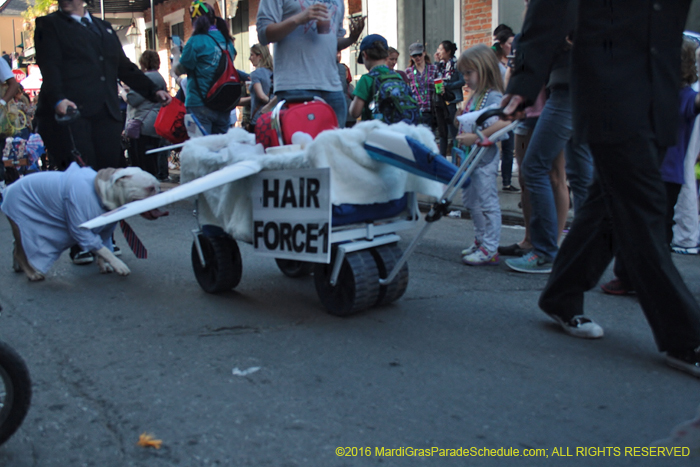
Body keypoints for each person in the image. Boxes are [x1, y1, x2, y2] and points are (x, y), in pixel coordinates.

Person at [503, 0, 700, 377]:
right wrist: (525, 78)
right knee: (643, 209)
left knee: (608, 206)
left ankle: (561, 294)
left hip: (660, 92)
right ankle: (685, 337)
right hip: (608, 91)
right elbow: (551, 8)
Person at [601, 38, 700, 295]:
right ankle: (629, 277)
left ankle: (646, 279)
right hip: (642, 169)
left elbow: (695, 103)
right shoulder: (651, 92)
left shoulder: (686, 97)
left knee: (655, 229)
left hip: (666, 175)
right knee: (632, 224)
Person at [504, 12, 594, 274]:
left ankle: (545, 252)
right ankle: (586, 250)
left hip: (567, 89)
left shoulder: (559, 12)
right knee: (579, 174)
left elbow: (536, 53)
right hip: (579, 87)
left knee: (535, 167)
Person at [256, 0, 365, 128]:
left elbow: (331, 42)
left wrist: (351, 39)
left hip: (333, 89)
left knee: (332, 147)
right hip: (296, 88)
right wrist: (298, 19)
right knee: (300, 146)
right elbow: (263, 34)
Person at [456, 44, 509, 266]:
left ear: (483, 69)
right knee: (472, 201)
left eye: (469, 72)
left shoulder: (493, 96)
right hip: (471, 157)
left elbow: (503, 122)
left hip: (483, 158)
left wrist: (477, 137)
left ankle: (490, 246)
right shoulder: (476, 95)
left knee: (487, 202)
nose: (466, 78)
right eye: (464, 73)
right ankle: (481, 240)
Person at [177, 1, 240, 135]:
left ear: (195, 20)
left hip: (199, 104)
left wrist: (176, 55)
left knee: (203, 150)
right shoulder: (226, 40)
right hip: (223, 103)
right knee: (221, 148)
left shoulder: (195, 41)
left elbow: (180, 69)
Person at [124, 50, 168, 180]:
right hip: (156, 123)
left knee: (141, 162)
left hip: (142, 124)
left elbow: (132, 99)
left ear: (143, 62)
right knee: (152, 160)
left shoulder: (146, 78)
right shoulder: (160, 78)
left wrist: (122, 92)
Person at [492, 26, 518, 192]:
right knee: (492, 143)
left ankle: (507, 182)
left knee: (509, 146)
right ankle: (489, 178)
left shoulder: (514, 60)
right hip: (496, 105)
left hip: (511, 106)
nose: (512, 45)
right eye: (510, 43)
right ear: (501, 44)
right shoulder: (494, 62)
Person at [433, 40, 464, 157]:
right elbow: (434, 77)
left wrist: (448, 86)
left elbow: (462, 81)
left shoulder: (457, 64)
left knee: (453, 131)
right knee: (442, 133)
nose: (438, 52)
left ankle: (457, 159)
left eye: (441, 49)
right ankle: (442, 160)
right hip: (440, 101)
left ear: (448, 51)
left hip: (452, 101)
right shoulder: (439, 65)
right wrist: (436, 63)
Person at [237, 43, 273, 132]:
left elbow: (261, 96)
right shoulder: (273, 72)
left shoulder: (255, 74)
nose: (250, 58)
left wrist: (269, 102)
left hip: (259, 118)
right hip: (273, 116)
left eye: (252, 55)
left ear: (260, 56)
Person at [405, 42, 437, 129]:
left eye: (419, 54)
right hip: (415, 111)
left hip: (431, 111)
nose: (418, 57)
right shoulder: (408, 72)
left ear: (424, 53)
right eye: (415, 56)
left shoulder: (433, 69)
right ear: (411, 57)